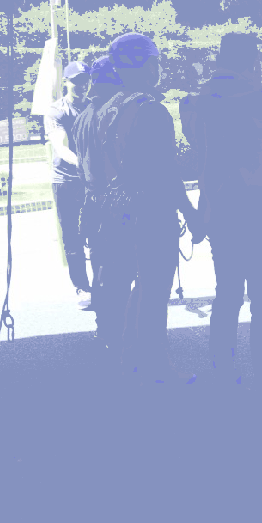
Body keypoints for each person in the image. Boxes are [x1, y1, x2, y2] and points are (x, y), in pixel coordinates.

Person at [179, 33, 262, 390]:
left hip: (220, 213)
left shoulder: (197, 105)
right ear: (253, 62)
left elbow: (197, 146)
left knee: (227, 294)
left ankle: (223, 370)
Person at [92, 32, 203, 382]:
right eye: (156, 62)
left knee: (139, 290)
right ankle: (156, 367)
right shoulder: (151, 110)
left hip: (118, 213)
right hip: (151, 212)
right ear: (145, 65)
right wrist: (190, 213)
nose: (159, 68)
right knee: (153, 291)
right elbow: (165, 170)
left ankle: (131, 362)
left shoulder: (108, 109)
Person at [72, 56, 123, 336]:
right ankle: (118, 332)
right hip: (114, 203)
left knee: (100, 269)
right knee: (118, 272)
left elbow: (82, 165)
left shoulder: (82, 117)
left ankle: (104, 329)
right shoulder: (112, 113)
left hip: (92, 203)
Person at [46, 61, 93, 307]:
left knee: (99, 232)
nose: (82, 86)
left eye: (86, 80)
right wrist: (83, 166)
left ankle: (105, 284)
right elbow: (61, 147)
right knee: (73, 238)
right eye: (77, 81)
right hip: (66, 180)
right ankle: (82, 288)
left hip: (93, 180)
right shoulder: (57, 110)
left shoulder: (95, 106)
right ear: (66, 82)